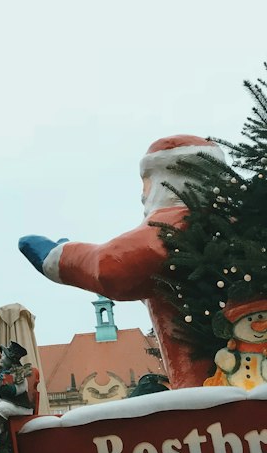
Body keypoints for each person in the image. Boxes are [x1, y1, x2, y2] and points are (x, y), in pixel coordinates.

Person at [18, 134, 228, 388]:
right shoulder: (239, 224)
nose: (143, 194)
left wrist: (57, 256)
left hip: (209, 394)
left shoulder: (172, 225)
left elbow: (111, 267)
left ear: (163, 181)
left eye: (146, 183)